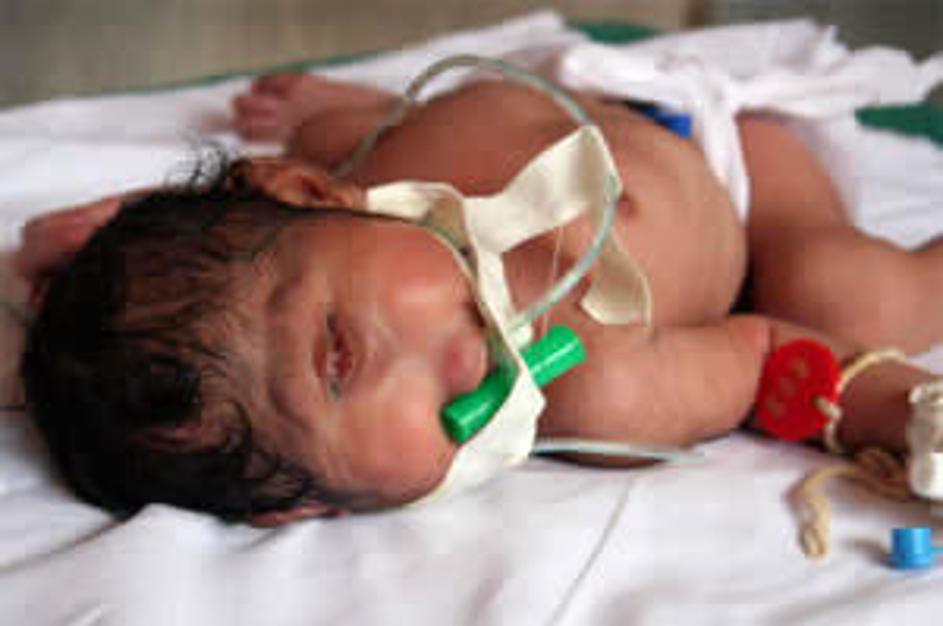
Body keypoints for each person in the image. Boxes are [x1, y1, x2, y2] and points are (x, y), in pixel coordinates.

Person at [14, 71, 943, 526]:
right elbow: (767, 356)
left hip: (670, 118)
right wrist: (906, 414)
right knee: (838, 295)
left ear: (308, 194)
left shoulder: (353, 169)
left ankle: (347, 105)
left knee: (335, 139)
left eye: (341, 345)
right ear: (305, 507)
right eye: (348, 398)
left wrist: (124, 227)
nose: (432, 365)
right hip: (748, 207)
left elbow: (238, 232)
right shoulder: (599, 387)